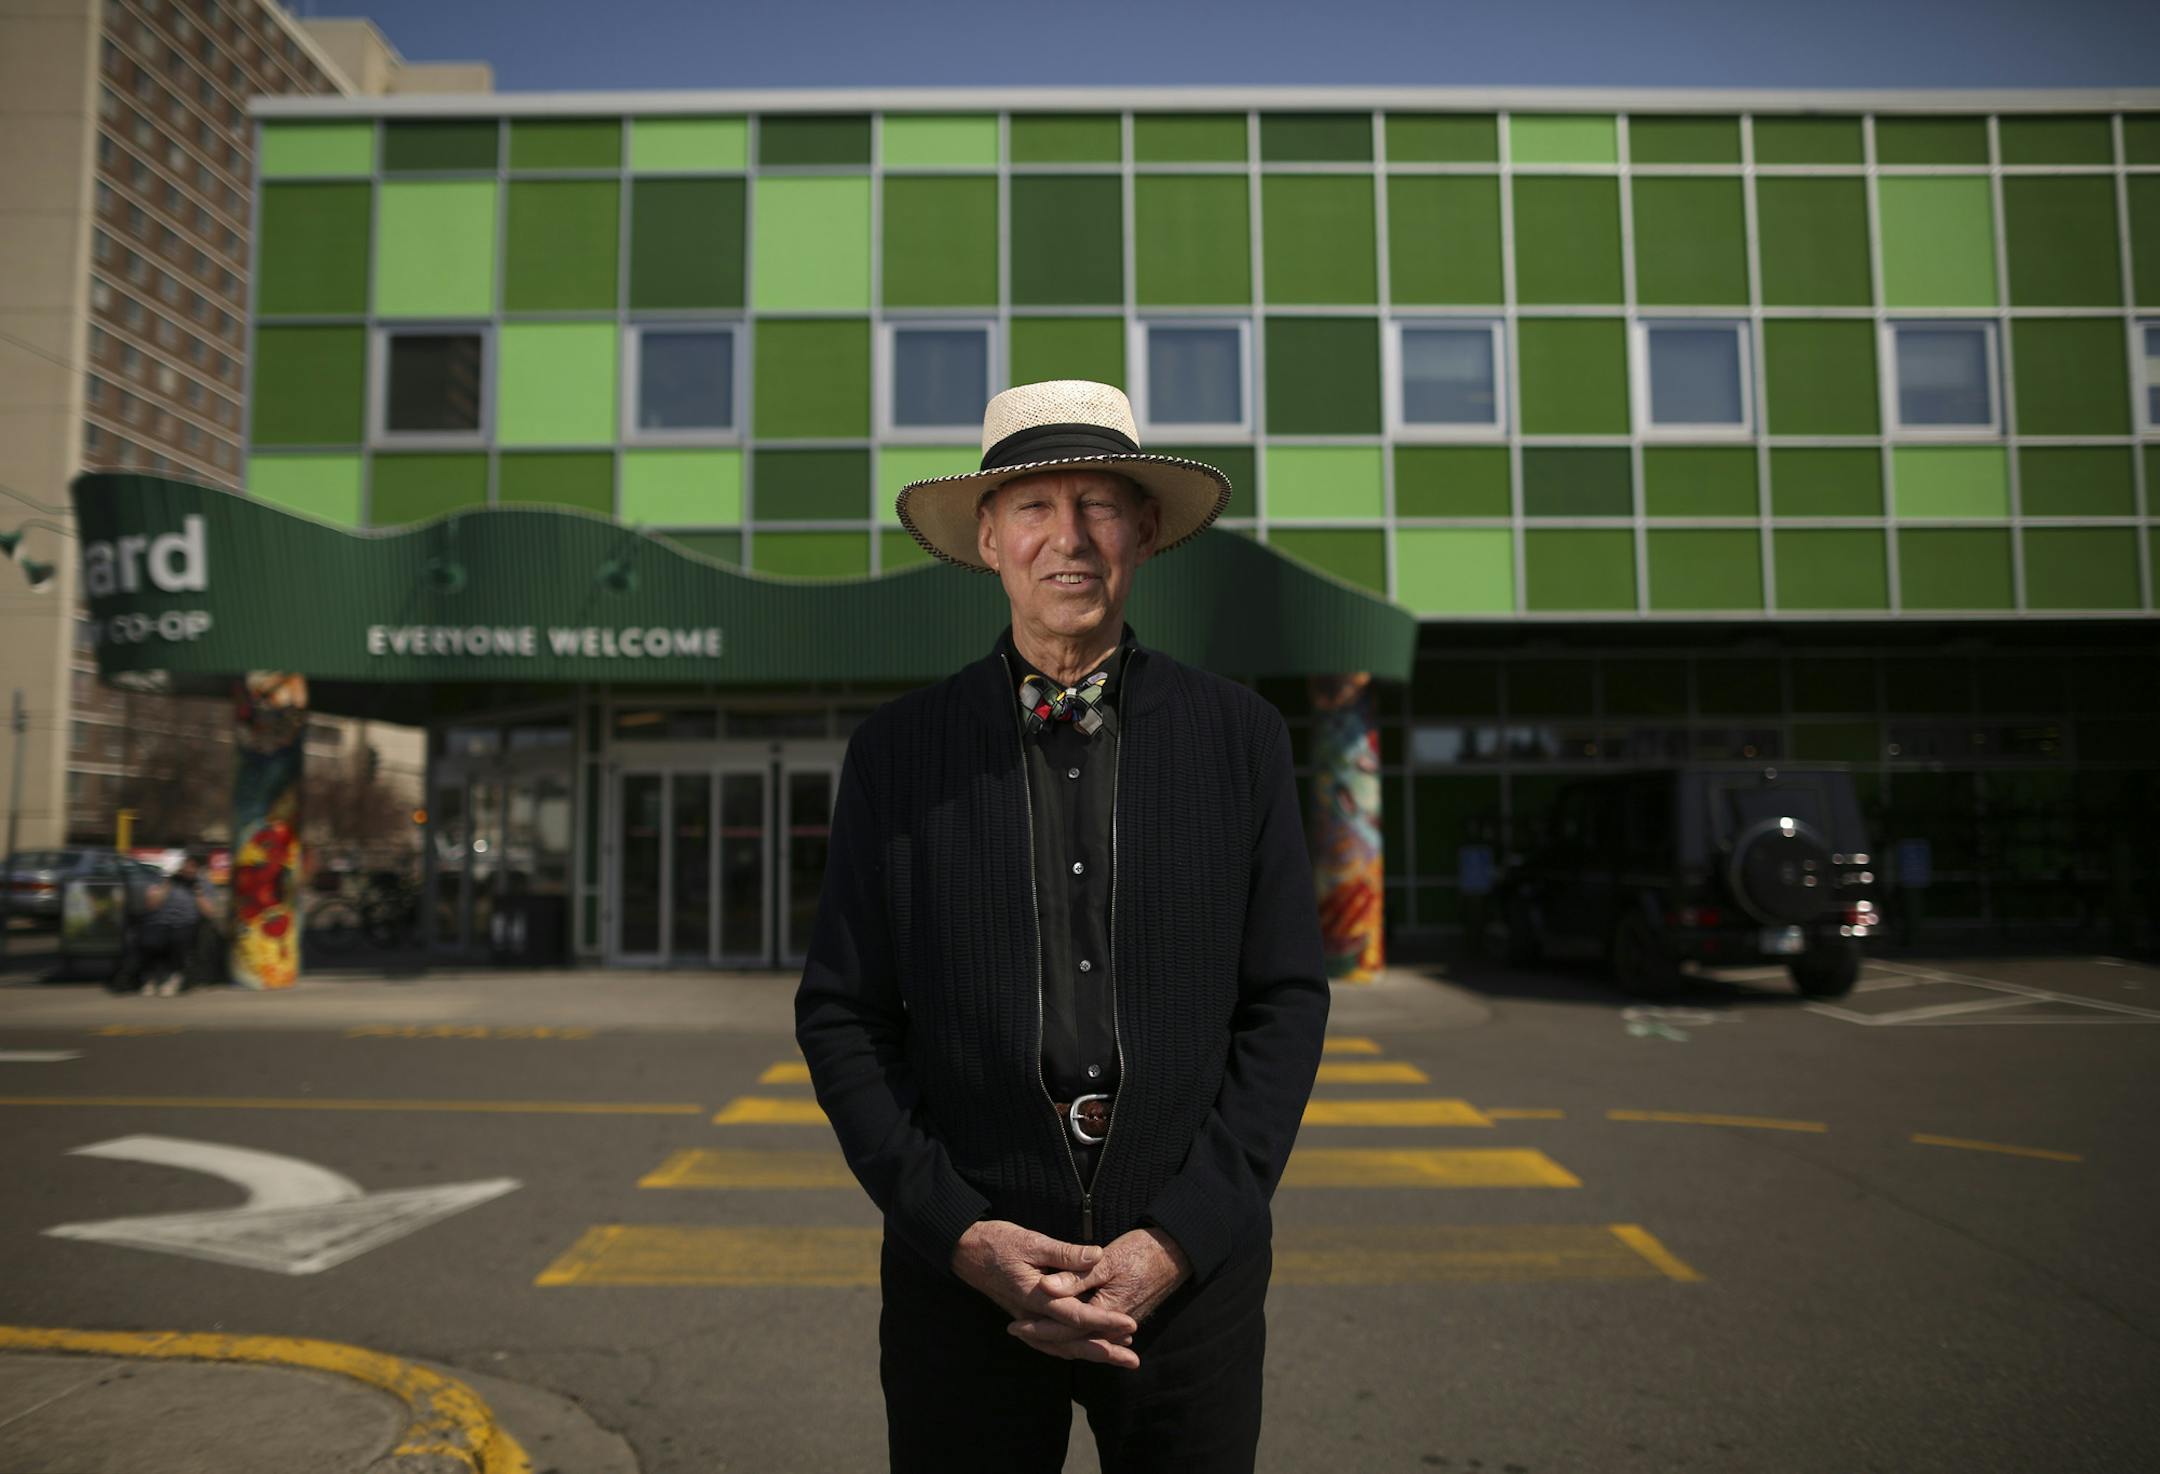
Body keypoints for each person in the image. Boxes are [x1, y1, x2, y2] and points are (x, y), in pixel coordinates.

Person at [796, 380, 1331, 1473]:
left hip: (1190, 1285)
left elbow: (1284, 1003)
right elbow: (843, 1014)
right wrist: (956, 1227)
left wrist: (1178, 1237)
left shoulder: (1243, 738)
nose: (1069, 537)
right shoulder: (897, 753)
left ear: (1142, 530)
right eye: (1035, 507)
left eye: (1099, 503)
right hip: (966, 1283)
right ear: (990, 538)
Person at [139, 854, 212, 997]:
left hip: (185, 923)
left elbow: (209, 912)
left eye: (193, 867)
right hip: (161, 921)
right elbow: (152, 905)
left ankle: (174, 978)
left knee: (179, 940)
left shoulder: (203, 884)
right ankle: (151, 979)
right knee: (152, 940)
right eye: (186, 865)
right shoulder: (167, 880)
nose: (189, 870)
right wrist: (166, 885)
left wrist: (197, 892)